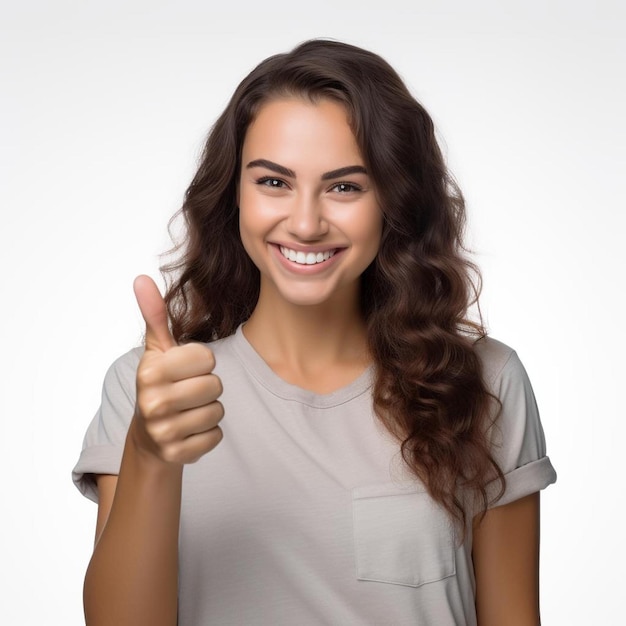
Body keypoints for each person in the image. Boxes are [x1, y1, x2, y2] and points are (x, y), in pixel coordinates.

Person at [72, 38, 557, 626]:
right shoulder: (148, 390)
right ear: (234, 196)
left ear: (394, 202)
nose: (304, 223)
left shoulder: (484, 383)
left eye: (345, 186)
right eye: (273, 182)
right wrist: (150, 456)